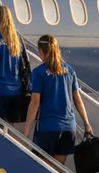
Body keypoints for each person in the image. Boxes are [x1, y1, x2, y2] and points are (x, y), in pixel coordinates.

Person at [24, 35, 93, 164]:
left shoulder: (39, 73)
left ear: (41, 51)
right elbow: (77, 100)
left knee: (41, 168)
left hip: (48, 127)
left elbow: (35, 103)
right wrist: (86, 124)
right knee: (57, 170)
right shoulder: (69, 70)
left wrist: (27, 128)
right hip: (68, 128)